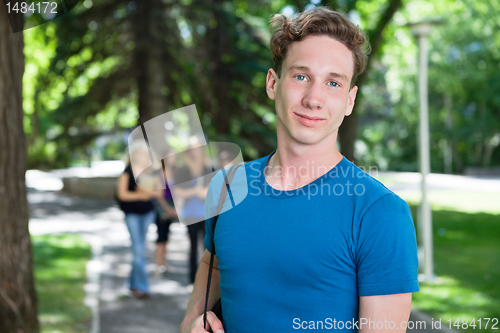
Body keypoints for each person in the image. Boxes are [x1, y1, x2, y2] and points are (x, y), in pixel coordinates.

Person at [181, 6, 419, 333]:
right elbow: (214, 263)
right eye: (301, 76)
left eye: (333, 83)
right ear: (272, 83)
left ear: (350, 101)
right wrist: (189, 322)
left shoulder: (380, 213)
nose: (314, 98)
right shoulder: (225, 184)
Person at [116, 146, 162, 299]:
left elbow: (159, 192)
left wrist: (145, 193)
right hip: (132, 214)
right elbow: (122, 195)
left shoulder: (152, 172)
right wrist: (141, 195)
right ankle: (142, 287)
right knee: (138, 250)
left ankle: (132, 283)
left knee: (139, 250)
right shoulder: (127, 172)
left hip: (147, 213)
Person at [172, 141, 211, 284]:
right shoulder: (183, 170)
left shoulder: (208, 168)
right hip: (190, 214)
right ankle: (193, 279)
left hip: (207, 214)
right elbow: (177, 191)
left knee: (207, 248)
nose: (196, 152)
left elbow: (214, 190)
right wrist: (195, 191)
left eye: (198, 149)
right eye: (192, 150)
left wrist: (203, 193)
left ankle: (206, 278)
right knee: (193, 246)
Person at [154, 153, 178, 275]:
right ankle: (158, 264)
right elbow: (159, 195)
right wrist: (168, 209)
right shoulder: (159, 173)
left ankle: (164, 262)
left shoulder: (175, 171)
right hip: (162, 208)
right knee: (161, 236)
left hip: (173, 206)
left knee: (167, 236)